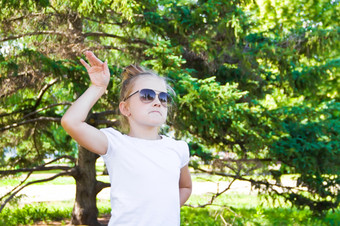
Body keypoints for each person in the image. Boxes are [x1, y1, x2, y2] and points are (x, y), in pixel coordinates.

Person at [61, 51, 192, 226]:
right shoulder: (115, 144)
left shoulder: (178, 148)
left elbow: (185, 187)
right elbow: (71, 122)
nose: (157, 102)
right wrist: (98, 87)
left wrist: (163, 213)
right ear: (125, 108)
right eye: (147, 95)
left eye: (163, 97)